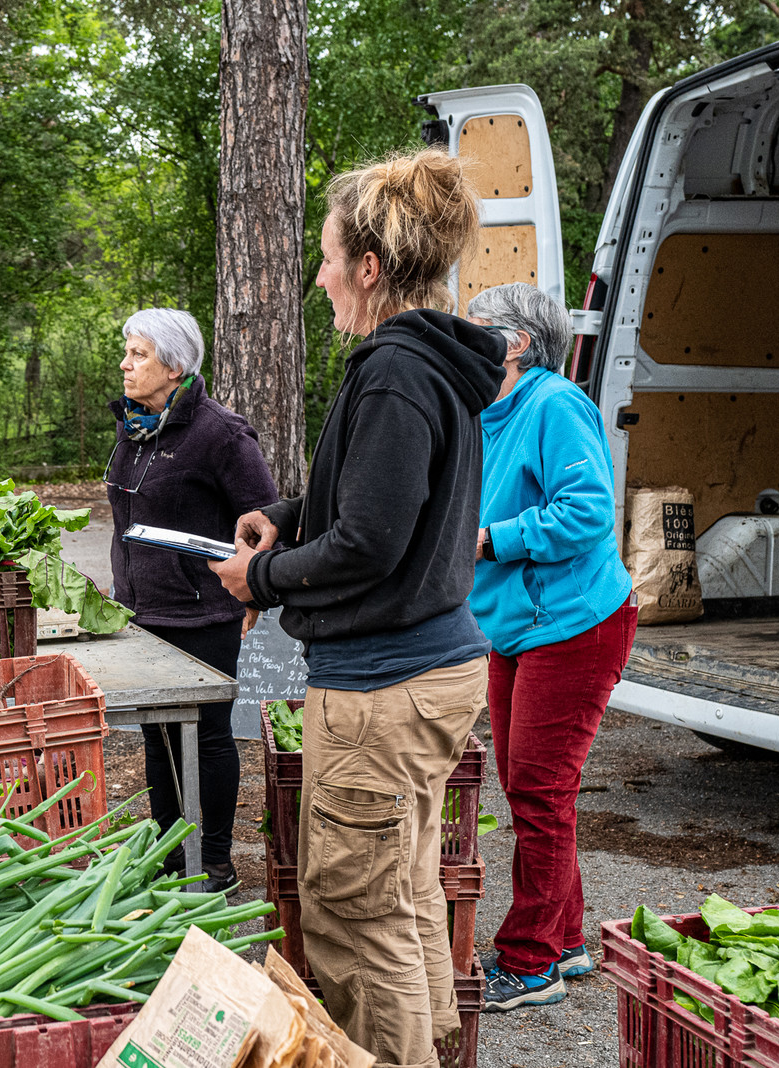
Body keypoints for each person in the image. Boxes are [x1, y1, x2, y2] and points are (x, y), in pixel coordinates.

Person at [208, 149, 506, 1068]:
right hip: (429, 674)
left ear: (371, 268)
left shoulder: (394, 373)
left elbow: (372, 541)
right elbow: (382, 505)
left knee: (354, 921)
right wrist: (288, 516)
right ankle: (434, 1050)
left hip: (387, 689)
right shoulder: (430, 365)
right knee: (405, 897)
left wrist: (261, 580)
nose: (322, 275)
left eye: (332, 257)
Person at [463, 282, 637, 1011]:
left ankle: (529, 962)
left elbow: (589, 510)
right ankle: (564, 940)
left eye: (476, 331)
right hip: (522, 629)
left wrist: (491, 540)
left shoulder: (554, 403)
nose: (462, 341)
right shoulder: (489, 413)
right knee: (532, 787)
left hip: (575, 626)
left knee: (538, 790)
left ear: (517, 343)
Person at [106, 308, 278, 893]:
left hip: (203, 612)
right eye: (127, 352)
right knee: (156, 734)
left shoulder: (220, 433)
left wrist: (255, 590)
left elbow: (264, 519)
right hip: (141, 612)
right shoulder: (136, 429)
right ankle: (170, 855)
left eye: (139, 354)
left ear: (174, 366)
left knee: (207, 735)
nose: (126, 365)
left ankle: (218, 861)